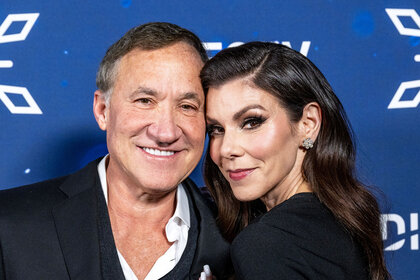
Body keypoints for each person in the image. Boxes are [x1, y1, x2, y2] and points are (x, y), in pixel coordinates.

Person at [0, 22, 232, 280]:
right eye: (145, 101)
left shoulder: (241, 234)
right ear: (103, 111)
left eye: (187, 106)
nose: (166, 133)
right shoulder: (8, 224)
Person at [201, 42, 390, 280]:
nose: (226, 149)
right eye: (216, 129)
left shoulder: (267, 243)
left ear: (307, 124)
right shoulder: (338, 218)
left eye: (251, 122)